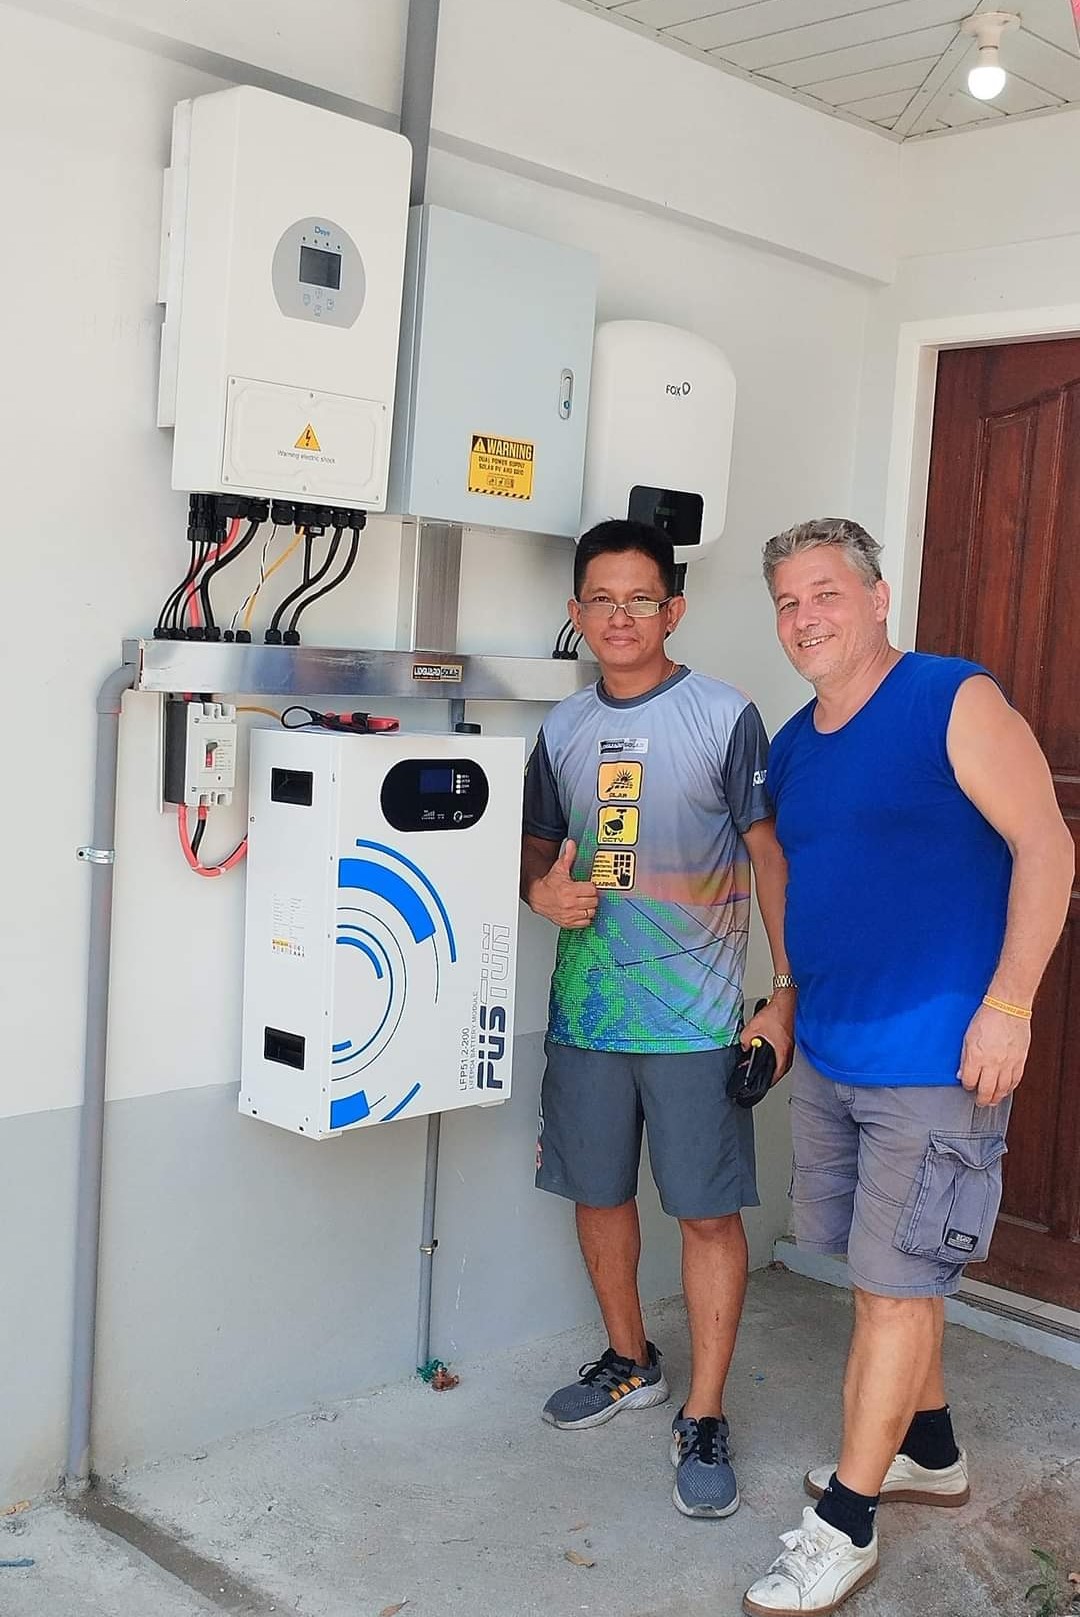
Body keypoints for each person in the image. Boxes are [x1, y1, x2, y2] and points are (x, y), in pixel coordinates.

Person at [743, 518, 1074, 1616]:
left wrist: (1010, 1005)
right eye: (788, 601)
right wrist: (786, 1002)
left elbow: (1047, 844)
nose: (806, 617)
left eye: (826, 592)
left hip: (935, 1054)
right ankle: (928, 1450)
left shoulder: (950, 698)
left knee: (892, 1291)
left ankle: (845, 1524)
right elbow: (803, 883)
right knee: (888, 1274)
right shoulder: (797, 744)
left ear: (879, 598)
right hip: (835, 1049)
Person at [521, 518, 795, 1521]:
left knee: (707, 1213)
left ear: (672, 609)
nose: (622, 616)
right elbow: (536, 848)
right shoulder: (559, 730)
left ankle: (707, 1411)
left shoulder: (724, 715)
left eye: (641, 598)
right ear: (576, 612)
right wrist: (539, 892)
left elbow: (769, 856)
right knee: (597, 1194)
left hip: (698, 1021)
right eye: (602, 599)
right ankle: (630, 1360)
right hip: (589, 1015)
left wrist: (785, 993)